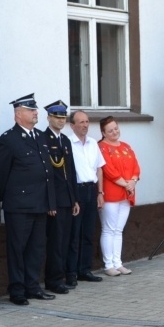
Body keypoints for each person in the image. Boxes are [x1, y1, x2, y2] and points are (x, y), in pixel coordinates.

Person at [0, 93, 57, 304]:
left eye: (35, 109)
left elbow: (48, 173)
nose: (36, 112)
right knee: (17, 249)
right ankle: (17, 291)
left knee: (36, 249)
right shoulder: (8, 140)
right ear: (18, 114)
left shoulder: (40, 137)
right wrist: (11, 198)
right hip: (18, 206)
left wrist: (50, 202)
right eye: (31, 110)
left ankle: (32, 286)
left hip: (39, 204)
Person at [42, 100, 79, 295]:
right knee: (55, 242)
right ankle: (53, 281)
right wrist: (50, 201)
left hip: (66, 199)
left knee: (65, 241)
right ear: (49, 118)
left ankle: (62, 275)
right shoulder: (43, 139)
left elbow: (70, 172)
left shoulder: (65, 140)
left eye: (63, 117)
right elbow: (48, 175)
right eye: (57, 117)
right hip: (54, 200)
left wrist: (74, 199)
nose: (61, 120)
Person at [66, 110, 105, 286]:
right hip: (77, 191)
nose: (85, 125)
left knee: (88, 233)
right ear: (72, 125)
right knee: (74, 234)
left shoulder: (92, 143)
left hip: (92, 190)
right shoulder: (67, 143)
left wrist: (100, 193)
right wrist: (73, 198)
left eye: (87, 122)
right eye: (81, 122)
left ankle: (85, 270)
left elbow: (99, 169)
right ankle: (71, 273)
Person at [98, 116, 140, 276]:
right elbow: (108, 170)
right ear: (103, 132)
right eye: (110, 130)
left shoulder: (126, 146)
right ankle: (108, 264)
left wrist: (133, 181)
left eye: (116, 128)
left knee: (118, 230)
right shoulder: (101, 147)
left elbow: (135, 166)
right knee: (108, 229)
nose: (114, 132)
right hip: (111, 194)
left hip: (126, 194)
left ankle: (118, 262)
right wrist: (126, 183)